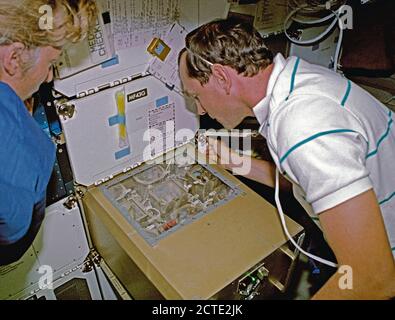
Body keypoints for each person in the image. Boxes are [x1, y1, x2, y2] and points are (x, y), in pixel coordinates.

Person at [178, 18, 395, 299]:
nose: (201, 109)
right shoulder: (295, 81)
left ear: (221, 77)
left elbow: (373, 278)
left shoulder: (302, 124)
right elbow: (306, 179)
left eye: (196, 96)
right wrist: (235, 162)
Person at [0, 0, 96, 265]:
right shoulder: (22, 149)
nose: (49, 77)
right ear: (14, 58)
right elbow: (12, 241)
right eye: (52, 62)